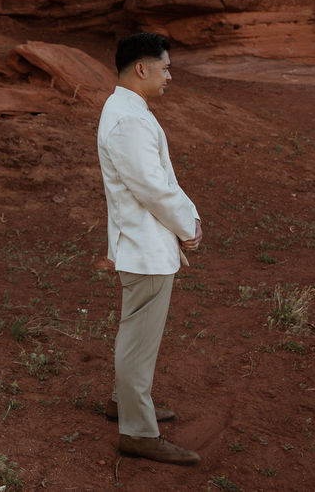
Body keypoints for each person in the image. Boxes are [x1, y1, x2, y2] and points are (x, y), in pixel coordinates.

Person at [97, 32, 203, 465]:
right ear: (142, 68)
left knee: (135, 333)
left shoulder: (123, 109)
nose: (169, 76)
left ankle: (126, 403)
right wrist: (188, 223)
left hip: (140, 241)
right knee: (138, 339)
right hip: (144, 246)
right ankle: (138, 432)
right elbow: (153, 188)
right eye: (165, 67)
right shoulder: (130, 120)